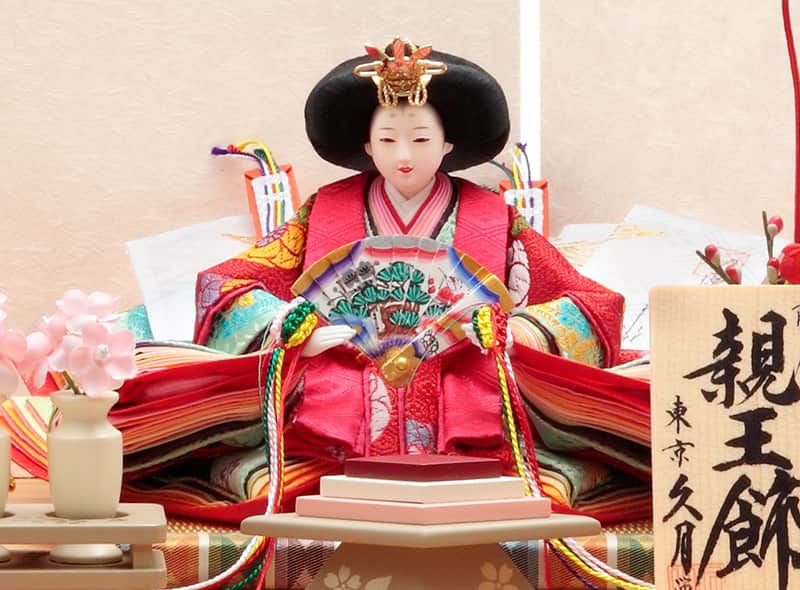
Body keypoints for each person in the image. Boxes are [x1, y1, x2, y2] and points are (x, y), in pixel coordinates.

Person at [194, 38, 624, 464]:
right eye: (387, 140)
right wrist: (294, 335)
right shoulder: (324, 211)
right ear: (367, 145)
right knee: (272, 477)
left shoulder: (493, 217)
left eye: (420, 140)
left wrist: (512, 334)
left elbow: (591, 303)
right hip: (336, 413)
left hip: (465, 403)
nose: (403, 156)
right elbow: (224, 285)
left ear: (447, 143)